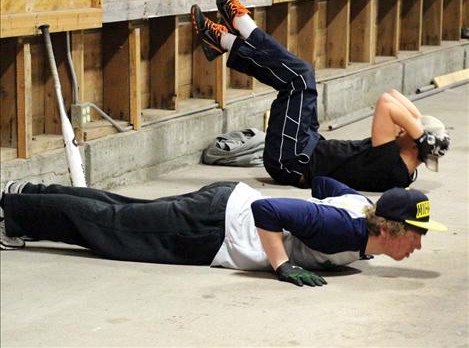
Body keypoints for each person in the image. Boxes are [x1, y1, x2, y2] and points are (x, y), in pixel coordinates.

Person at [191, 0, 450, 192]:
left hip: (291, 159)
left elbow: (386, 101)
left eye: (409, 131)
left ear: (415, 144)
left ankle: (236, 28)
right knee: (303, 76)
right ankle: (227, 36)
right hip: (307, 145)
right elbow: (396, 96)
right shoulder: (402, 164)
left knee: (300, 77)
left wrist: (418, 133)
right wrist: (420, 131)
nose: (403, 128)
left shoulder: (390, 163)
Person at [0, 177, 446, 287]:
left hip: (220, 204)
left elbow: (326, 185)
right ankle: (14, 214)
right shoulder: (339, 230)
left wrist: (306, 213)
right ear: (388, 229)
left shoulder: (356, 209)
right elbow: (268, 209)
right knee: (110, 227)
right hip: (212, 228)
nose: (419, 243)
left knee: (120, 210)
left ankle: (27, 195)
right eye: (416, 232)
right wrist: (283, 264)